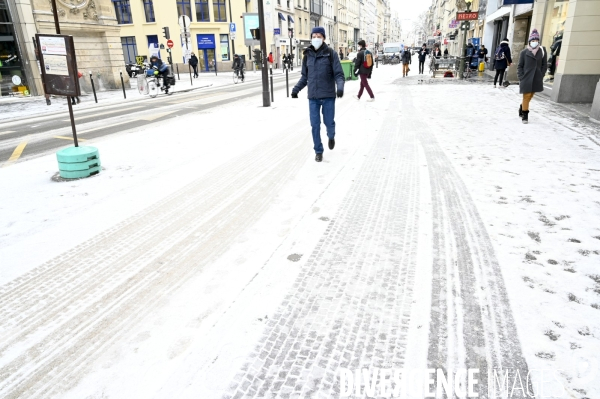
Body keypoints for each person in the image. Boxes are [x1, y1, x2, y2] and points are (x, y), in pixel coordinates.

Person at [291, 26, 345, 163]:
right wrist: (296, 89)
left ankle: (331, 136)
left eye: (319, 36)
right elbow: (305, 77)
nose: (316, 38)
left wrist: (340, 88)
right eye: (314, 36)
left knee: (328, 122)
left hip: (328, 96)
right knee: (315, 125)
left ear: (323, 38)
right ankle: (318, 151)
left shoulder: (331, 54)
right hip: (313, 97)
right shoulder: (307, 55)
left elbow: (339, 74)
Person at [517, 29, 547, 124]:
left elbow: (544, 64)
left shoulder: (542, 51)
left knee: (530, 96)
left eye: (536, 40)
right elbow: (520, 66)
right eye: (533, 41)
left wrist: (541, 74)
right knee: (526, 96)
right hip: (526, 78)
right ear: (529, 41)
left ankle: (522, 107)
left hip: (536, 78)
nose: (535, 42)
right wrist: (521, 76)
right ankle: (525, 115)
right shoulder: (524, 52)